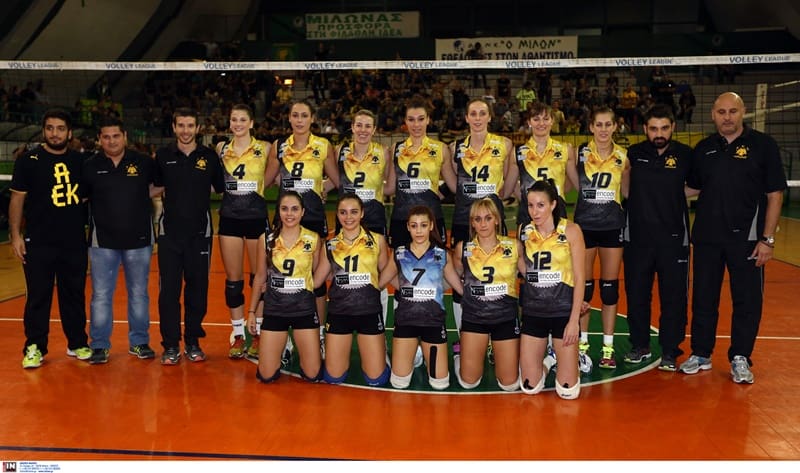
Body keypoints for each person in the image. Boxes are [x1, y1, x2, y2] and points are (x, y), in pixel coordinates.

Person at [681, 92, 787, 384]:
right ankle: (701, 353)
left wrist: (767, 240)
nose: (727, 117)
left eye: (732, 111)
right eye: (721, 112)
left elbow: (775, 194)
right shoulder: (704, 148)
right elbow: (692, 188)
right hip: (707, 238)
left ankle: (740, 356)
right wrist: (652, 189)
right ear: (713, 115)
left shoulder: (763, 145)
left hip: (748, 240)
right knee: (703, 298)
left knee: (747, 301)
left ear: (743, 112)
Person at [10, 108, 92, 368]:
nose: (54, 134)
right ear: (43, 131)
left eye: (60, 129)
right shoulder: (28, 160)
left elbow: (89, 197)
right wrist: (15, 235)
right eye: (50, 128)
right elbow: (17, 198)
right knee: (38, 296)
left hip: (73, 241)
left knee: (74, 295)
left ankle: (77, 342)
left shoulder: (81, 162)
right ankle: (34, 346)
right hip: (39, 241)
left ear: (69, 133)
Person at [265, 99, 339, 359]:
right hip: (285, 219)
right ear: (289, 118)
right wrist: (283, 182)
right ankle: (283, 338)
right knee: (282, 277)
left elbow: (337, 179)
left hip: (313, 218)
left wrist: (321, 188)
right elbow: (267, 180)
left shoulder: (323, 145)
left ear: (312, 119)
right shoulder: (279, 146)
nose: (299, 120)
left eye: (304, 115)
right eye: (295, 115)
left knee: (316, 280)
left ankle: (317, 335)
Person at [622, 104, 692, 371]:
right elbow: (625, 189)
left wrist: (670, 195)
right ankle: (640, 345)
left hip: (673, 239)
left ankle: (671, 350)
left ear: (673, 127)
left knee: (674, 297)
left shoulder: (685, 154)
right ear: (645, 129)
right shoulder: (634, 153)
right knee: (637, 295)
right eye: (653, 129)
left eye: (664, 128)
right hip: (638, 238)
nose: (659, 134)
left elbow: (697, 185)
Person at [153, 108, 225, 365]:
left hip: (200, 234)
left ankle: (193, 341)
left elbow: (221, 188)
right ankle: (171, 345)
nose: (185, 130)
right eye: (181, 125)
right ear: (174, 127)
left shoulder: (209, 157)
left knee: (197, 290)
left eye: (190, 125)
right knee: (169, 292)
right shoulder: (162, 156)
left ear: (198, 128)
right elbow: (154, 187)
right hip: (170, 235)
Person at [82, 116, 156, 364]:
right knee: (101, 295)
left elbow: (159, 186)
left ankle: (139, 342)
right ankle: (99, 345)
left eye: (116, 136)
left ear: (125, 137)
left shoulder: (143, 162)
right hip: (102, 242)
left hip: (139, 239)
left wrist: (139, 196)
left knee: (138, 293)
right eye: (106, 137)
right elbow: (82, 197)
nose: (111, 141)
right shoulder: (90, 165)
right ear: (99, 140)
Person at [449, 98, 518, 356]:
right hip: (463, 218)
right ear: (467, 118)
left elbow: (509, 178)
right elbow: (452, 181)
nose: (477, 118)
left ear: (489, 117)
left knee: (498, 274)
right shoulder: (455, 147)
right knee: (464, 276)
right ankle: (464, 335)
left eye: (482, 113)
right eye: (473, 114)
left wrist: (500, 197)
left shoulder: (504, 145)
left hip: (492, 219)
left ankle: (495, 335)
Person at [567, 106, 630, 371]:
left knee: (609, 288)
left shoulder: (623, 156)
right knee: (584, 287)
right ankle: (582, 345)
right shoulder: (579, 152)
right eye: (599, 125)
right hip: (585, 226)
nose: (603, 129)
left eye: (608, 124)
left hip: (612, 226)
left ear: (615, 126)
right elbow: (571, 183)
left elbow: (627, 192)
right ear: (591, 127)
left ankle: (607, 346)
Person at [379, 206, 463, 390]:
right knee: (399, 383)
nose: (418, 230)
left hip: (433, 322)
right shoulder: (399, 253)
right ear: (408, 227)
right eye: (414, 225)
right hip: (406, 320)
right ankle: (415, 353)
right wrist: (405, 286)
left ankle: (455, 355)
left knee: (440, 384)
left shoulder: (441, 254)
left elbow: (458, 286)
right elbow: (381, 281)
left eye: (423, 225)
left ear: (431, 226)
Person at [246, 191, 326, 383]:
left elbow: (316, 277)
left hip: (304, 310)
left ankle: (306, 346)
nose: (289, 214)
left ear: (303, 212)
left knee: (313, 374)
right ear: (278, 211)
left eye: (294, 209)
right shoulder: (266, 239)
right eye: (284, 209)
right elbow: (260, 276)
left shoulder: (313, 239)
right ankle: (285, 346)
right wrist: (251, 312)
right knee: (266, 375)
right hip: (275, 310)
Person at [518, 180, 585, 399]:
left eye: (541, 205)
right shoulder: (525, 231)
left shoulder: (571, 231)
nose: (534, 211)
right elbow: (522, 264)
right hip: (534, 311)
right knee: (529, 387)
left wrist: (574, 321)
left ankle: (565, 359)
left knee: (568, 392)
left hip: (562, 313)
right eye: (530, 205)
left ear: (553, 204)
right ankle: (548, 361)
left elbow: (579, 277)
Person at [316, 193, 391, 386]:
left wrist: (376, 285)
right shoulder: (330, 245)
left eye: (354, 212)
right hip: (339, 312)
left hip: (369, 311)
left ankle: (385, 354)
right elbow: (316, 281)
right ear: (337, 214)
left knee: (376, 379)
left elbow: (387, 272)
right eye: (343, 212)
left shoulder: (377, 240)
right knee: (334, 378)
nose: (348, 217)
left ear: (362, 213)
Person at [216, 104, 271, 360]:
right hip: (230, 219)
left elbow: (274, 177)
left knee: (258, 278)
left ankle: (257, 332)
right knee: (233, 281)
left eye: (242, 120)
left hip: (256, 218)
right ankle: (238, 334)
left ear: (251, 123)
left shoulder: (265, 148)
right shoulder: (221, 148)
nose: (237, 124)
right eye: (234, 119)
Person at [451, 198, 520, 391]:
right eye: (477, 219)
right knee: (468, 382)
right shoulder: (463, 249)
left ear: (496, 220)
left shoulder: (514, 246)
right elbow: (455, 274)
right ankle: (458, 355)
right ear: (472, 223)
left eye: (488, 218)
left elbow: (530, 276)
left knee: (509, 385)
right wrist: (465, 292)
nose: (483, 224)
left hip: (505, 317)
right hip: (474, 318)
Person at [386, 96, 456, 250]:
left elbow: (454, 186)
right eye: (411, 119)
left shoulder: (440, 148)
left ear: (428, 120)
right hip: (402, 218)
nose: (416, 124)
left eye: (421, 119)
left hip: (432, 218)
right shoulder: (396, 149)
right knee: (400, 263)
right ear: (405, 121)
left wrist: (437, 194)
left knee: (436, 262)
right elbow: (390, 188)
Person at [515, 102, 575, 229]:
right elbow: (512, 184)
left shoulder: (566, 149)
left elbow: (571, 182)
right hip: (528, 213)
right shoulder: (518, 152)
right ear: (529, 122)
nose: (541, 123)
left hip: (557, 211)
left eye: (546, 119)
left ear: (552, 121)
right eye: (536, 119)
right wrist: (526, 197)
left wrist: (556, 192)